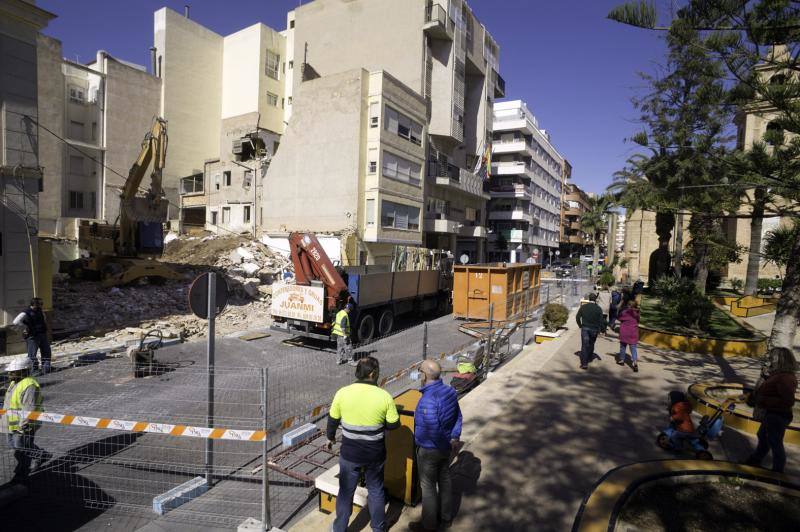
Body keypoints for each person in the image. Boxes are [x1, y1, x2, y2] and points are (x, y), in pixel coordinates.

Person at [327, 357, 400, 532]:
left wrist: (330, 437)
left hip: (349, 454)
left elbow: (332, 421)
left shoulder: (342, 393)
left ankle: (339, 528)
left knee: (346, 492)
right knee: (375, 490)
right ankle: (378, 528)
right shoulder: (384, 396)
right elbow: (393, 425)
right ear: (373, 374)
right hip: (374, 455)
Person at [410, 360, 462, 532]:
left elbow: (432, 430)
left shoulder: (427, 401)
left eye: (420, 371)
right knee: (445, 480)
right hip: (446, 446)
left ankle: (429, 525)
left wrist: (442, 446)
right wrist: (454, 438)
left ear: (424, 375)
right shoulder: (449, 391)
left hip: (431, 449)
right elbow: (458, 416)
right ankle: (446, 518)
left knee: (429, 488)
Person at [745, 347, 797, 473]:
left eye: (772, 357)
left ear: (781, 360)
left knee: (774, 441)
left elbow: (788, 401)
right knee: (762, 436)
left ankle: (777, 471)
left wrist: (763, 401)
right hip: (772, 413)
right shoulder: (778, 375)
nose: (769, 360)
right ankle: (755, 460)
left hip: (779, 415)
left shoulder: (785, 378)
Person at [3, 358, 45, 483]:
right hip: (11, 423)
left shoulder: (29, 385)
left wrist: (23, 426)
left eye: (13, 372)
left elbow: (29, 408)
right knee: (13, 444)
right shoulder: (14, 382)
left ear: (23, 371)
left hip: (25, 424)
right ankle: (39, 454)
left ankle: (23, 472)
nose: (10, 374)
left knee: (21, 447)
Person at [13, 297, 52, 374]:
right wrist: (26, 327)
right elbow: (16, 322)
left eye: (41, 303)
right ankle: (34, 370)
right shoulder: (25, 312)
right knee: (32, 354)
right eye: (40, 304)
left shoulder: (40, 311)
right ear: (34, 304)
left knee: (46, 352)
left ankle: (46, 368)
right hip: (33, 336)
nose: (41, 305)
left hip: (42, 334)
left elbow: (44, 320)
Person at [575, 293, 607, 370]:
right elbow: (601, 321)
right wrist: (602, 330)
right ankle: (589, 357)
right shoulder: (598, 308)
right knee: (591, 344)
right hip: (594, 329)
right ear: (595, 299)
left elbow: (577, 317)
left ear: (589, 299)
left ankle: (584, 364)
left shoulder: (583, 307)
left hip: (585, 328)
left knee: (584, 345)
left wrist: (580, 325)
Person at [616, 300, 641, 372]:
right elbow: (638, 320)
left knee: (623, 346)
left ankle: (622, 360)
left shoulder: (625, 312)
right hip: (633, 332)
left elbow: (620, 318)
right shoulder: (637, 313)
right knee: (633, 348)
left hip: (625, 332)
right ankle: (635, 362)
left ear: (629, 305)